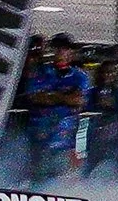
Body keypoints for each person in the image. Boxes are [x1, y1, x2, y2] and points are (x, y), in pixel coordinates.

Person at [26, 33, 94, 177]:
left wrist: (53, 95)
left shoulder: (80, 76)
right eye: (57, 49)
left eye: (65, 49)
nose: (61, 53)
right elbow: (36, 97)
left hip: (65, 141)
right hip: (40, 138)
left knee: (60, 182)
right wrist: (65, 97)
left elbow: (78, 100)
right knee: (36, 179)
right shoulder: (41, 72)